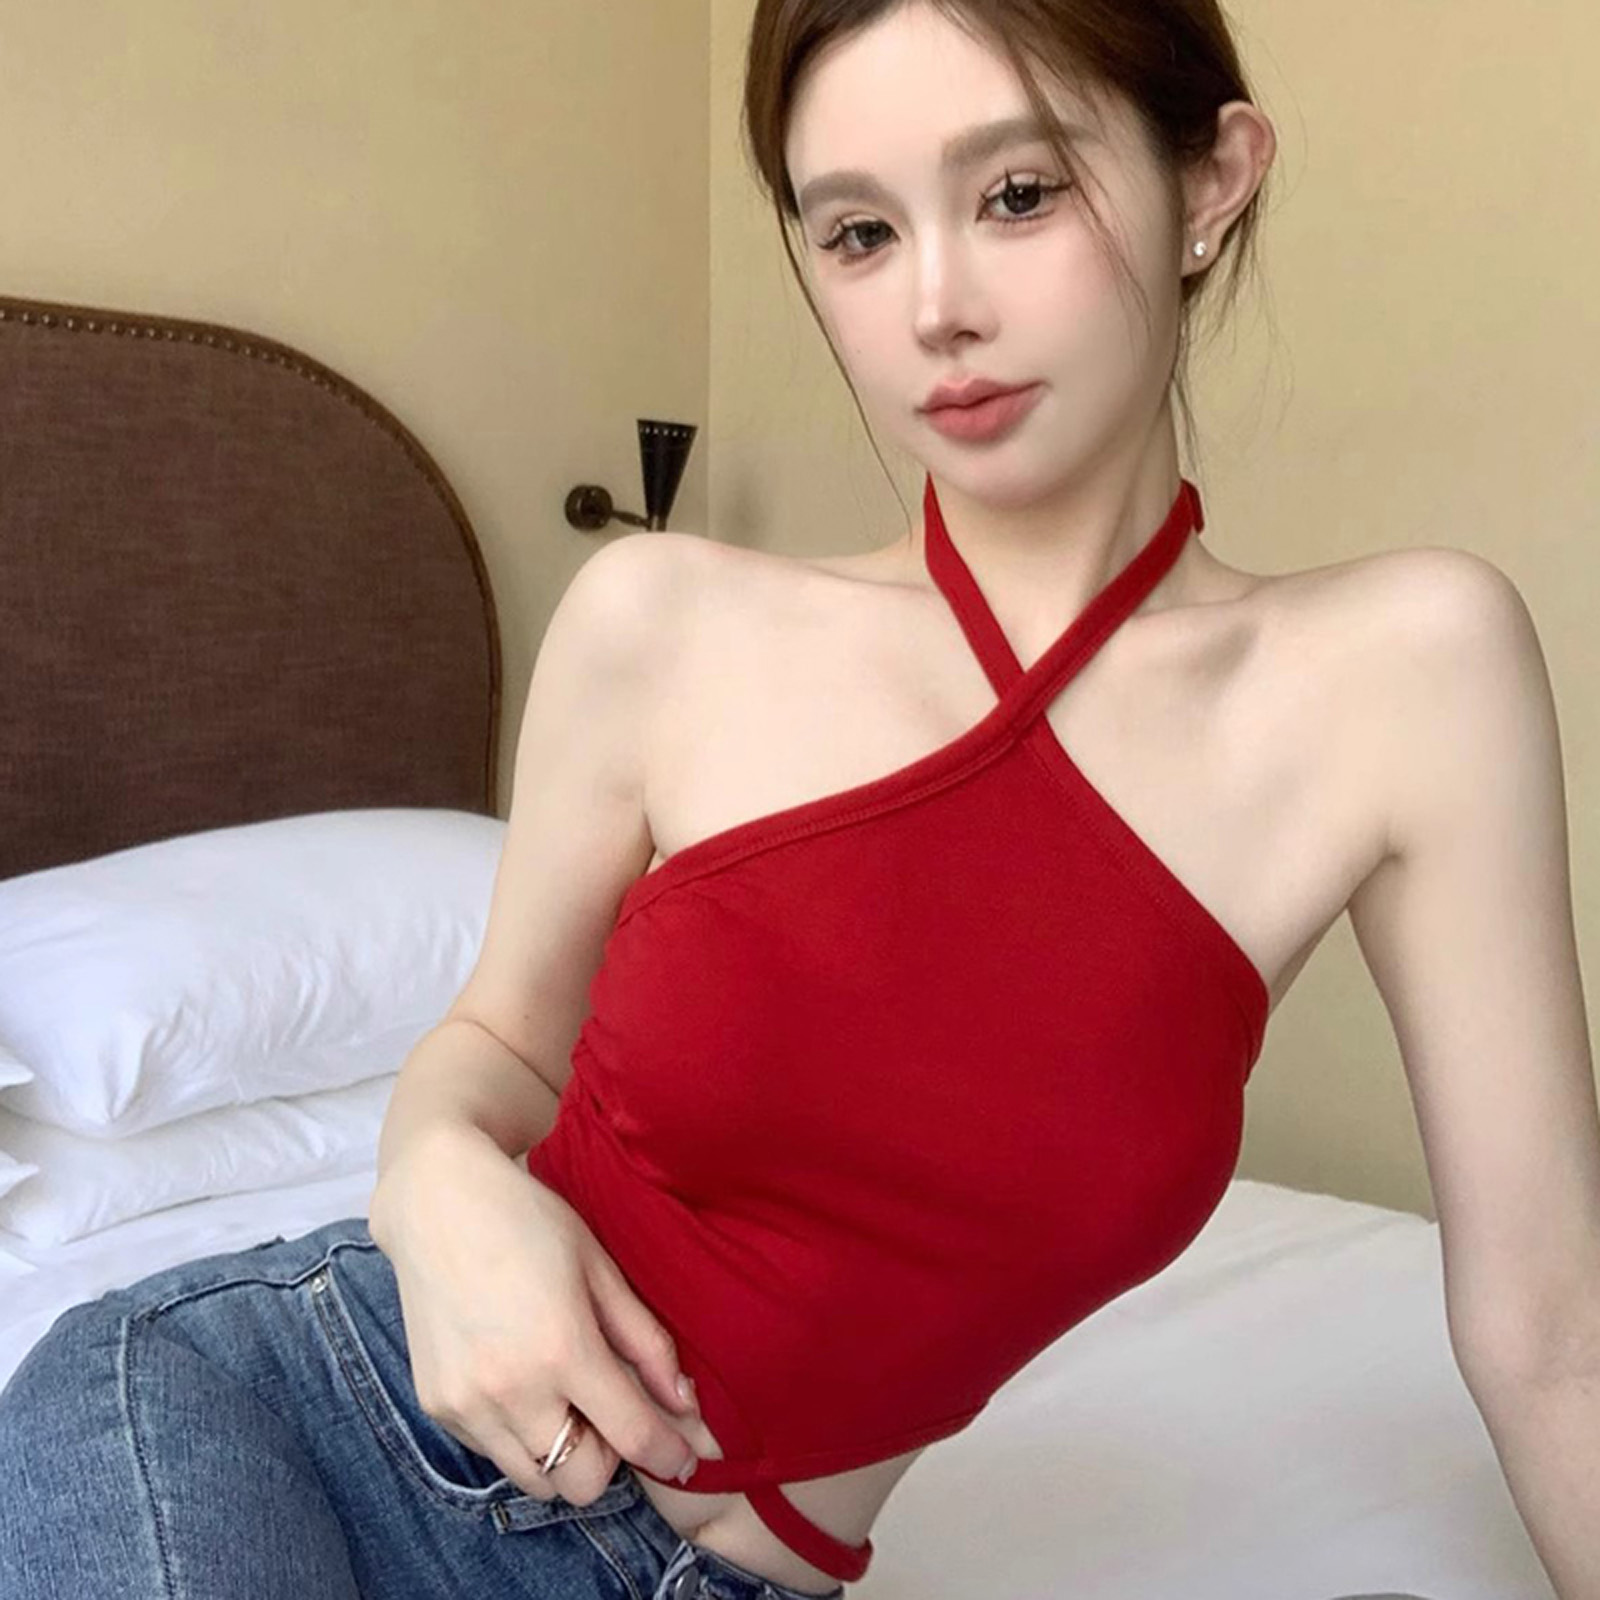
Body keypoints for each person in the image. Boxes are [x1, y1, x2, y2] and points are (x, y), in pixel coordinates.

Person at [4, 2, 1597, 1598]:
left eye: (1020, 194)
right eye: (857, 233)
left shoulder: (1408, 674)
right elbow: (500, 1043)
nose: (935, 306)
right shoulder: (662, 621)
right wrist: (430, 1186)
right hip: (303, 1412)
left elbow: (1551, 1331)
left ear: (1213, 179)